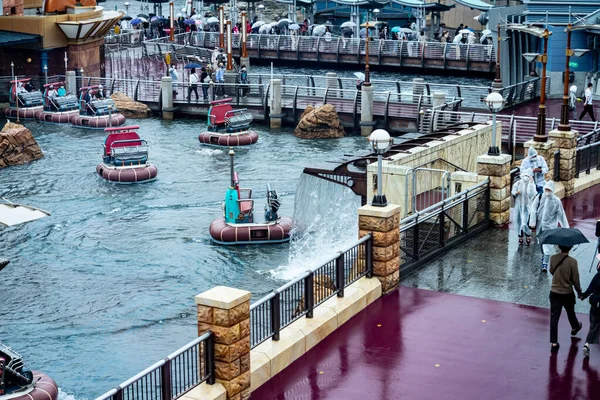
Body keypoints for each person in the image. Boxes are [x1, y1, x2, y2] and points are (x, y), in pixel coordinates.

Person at [548, 245, 583, 352]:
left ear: (559, 246)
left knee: (554, 318)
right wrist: (579, 292)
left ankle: (554, 343)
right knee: (570, 311)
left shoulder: (553, 258)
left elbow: (551, 271)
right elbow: (575, 279)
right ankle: (575, 326)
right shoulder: (573, 262)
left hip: (554, 292)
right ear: (570, 248)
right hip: (567, 292)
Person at [530, 181, 569, 271]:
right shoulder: (540, 197)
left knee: (548, 245)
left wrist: (565, 227)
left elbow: (561, 215)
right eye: (546, 189)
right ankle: (544, 256)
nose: (547, 191)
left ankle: (545, 263)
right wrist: (533, 222)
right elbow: (533, 208)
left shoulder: (556, 201)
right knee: (541, 242)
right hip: (540, 224)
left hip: (550, 226)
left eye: (549, 190)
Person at [580, 254, 600, 358]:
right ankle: (588, 343)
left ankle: (588, 343)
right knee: (596, 325)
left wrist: (583, 295)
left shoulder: (597, 276)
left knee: (593, 324)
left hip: (595, 302)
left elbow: (590, 288)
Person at [511, 168, 537, 245]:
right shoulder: (518, 183)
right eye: (525, 175)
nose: (526, 177)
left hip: (527, 207)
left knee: (526, 221)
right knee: (519, 221)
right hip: (519, 206)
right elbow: (513, 191)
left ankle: (528, 235)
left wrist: (531, 184)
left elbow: (532, 194)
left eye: (527, 175)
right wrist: (516, 192)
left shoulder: (531, 184)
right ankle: (520, 236)